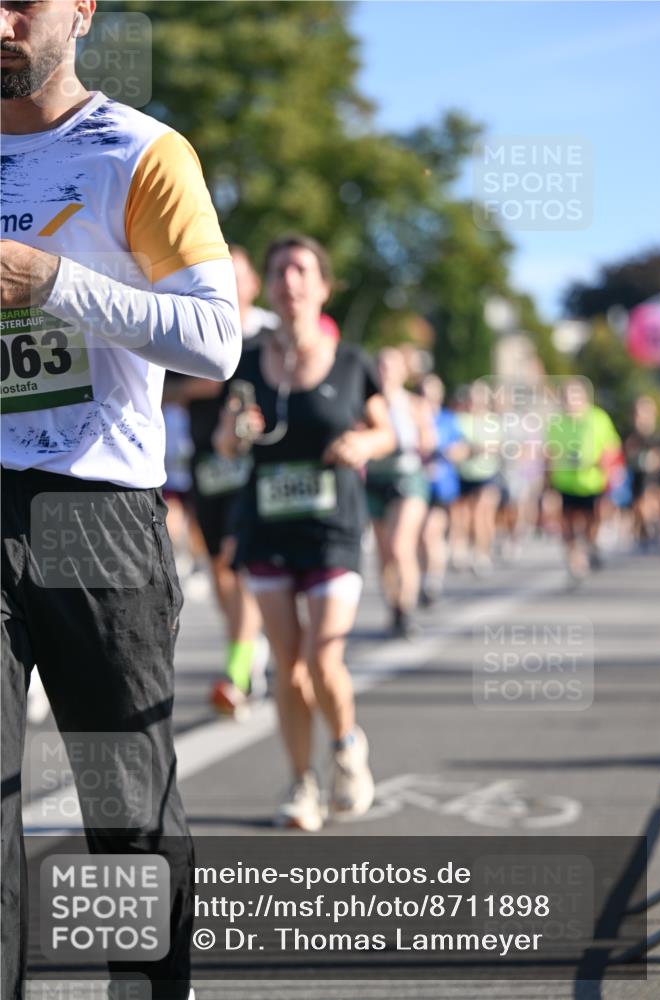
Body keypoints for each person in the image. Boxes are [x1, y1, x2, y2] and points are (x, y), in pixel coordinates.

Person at [1, 4, 242, 999]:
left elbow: (214, 343)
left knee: (127, 811)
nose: (0, 21)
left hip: (95, 512)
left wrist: (53, 281)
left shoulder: (138, 151)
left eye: (23, 0)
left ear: (83, 10)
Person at [215, 234, 395, 831]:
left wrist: (362, 443)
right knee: (287, 664)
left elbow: (387, 432)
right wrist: (236, 432)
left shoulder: (352, 362)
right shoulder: (246, 360)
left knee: (322, 657)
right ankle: (301, 784)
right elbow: (224, 441)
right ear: (268, 287)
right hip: (268, 526)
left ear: (322, 286)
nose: (288, 281)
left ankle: (346, 746)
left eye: (300, 270)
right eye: (279, 271)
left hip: (332, 529)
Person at [164, 246, 275, 715]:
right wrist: (195, 387)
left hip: (253, 468)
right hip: (206, 468)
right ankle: (247, 648)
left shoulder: (268, 337)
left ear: (253, 285)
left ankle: (237, 672)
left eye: (238, 276)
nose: (229, 283)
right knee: (221, 573)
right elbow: (160, 389)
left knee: (238, 561)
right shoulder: (193, 330)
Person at [365, 347, 435, 636]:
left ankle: (407, 607)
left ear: (403, 372)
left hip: (407, 478)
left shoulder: (414, 404)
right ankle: (394, 605)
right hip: (375, 478)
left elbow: (429, 441)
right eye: (381, 366)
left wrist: (420, 440)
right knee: (384, 552)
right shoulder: (366, 402)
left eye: (391, 366)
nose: (385, 372)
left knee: (399, 545)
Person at [546, 378, 622, 579]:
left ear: (585, 398)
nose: (571, 401)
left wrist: (605, 465)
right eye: (567, 397)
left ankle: (591, 545)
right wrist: (548, 483)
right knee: (567, 525)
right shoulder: (557, 422)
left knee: (591, 523)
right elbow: (549, 453)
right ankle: (575, 560)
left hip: (592, 482)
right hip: (565, 482)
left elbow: (612, 446)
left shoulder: (598, 418)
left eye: (575, 396)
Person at [416, 374, 468, 604]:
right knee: (417, 537)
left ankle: (432, 580)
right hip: (413, 486)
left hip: (441, 487)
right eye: (423, 394)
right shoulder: (411, 417)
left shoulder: (448, 419)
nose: (427, 399)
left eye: (432, 395)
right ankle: (421, 576)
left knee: (430, 532)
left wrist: (448, 453)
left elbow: (461, 448)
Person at [449, 381, 502, 576]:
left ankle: (482, 553)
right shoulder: (459, 419)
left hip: (486, 475)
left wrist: (471, 449)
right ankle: (460, 550)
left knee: (482, 515)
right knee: (461, 516)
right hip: (463, 474)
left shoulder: (492, 421)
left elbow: (493, 446)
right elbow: (452, 446)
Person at [623, 395, 660, 550]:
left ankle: (657, 531)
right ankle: (645, 532)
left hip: (659, 479)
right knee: (641, 506)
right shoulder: (630, 437)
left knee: (659, 501)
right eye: (639, 413)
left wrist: (658, 459)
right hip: (639, 482)